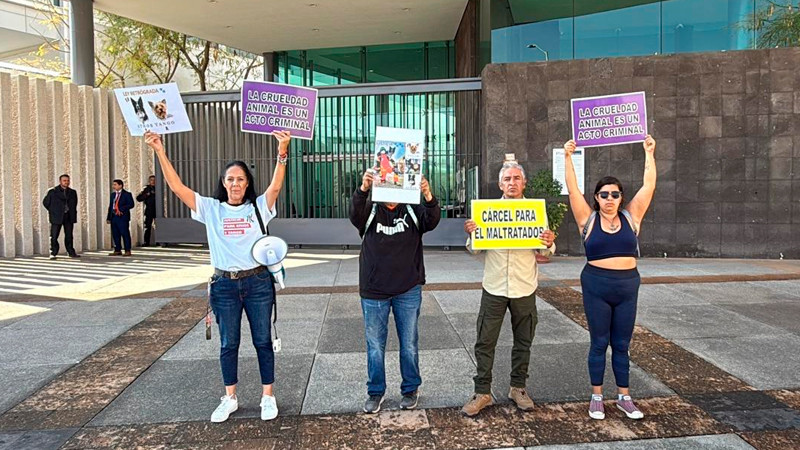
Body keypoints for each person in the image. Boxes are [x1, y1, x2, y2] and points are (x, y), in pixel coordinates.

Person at [145, 129, 291, 423]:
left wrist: (283, 152)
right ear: (223, 184)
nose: (235, 184)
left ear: (247, 183)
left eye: (240, 179)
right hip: (224, 284)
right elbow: (176, 187)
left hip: (258, 282)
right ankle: (230, 397)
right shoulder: (211, 209)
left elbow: (275, 187)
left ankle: (267, 396)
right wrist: (159, 150)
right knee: (229, 343)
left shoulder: (258, 207)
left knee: (262, 340)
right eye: (230, 179)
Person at [563, 135, 656, 421]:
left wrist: (649, 153)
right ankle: (597, 397)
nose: (609, 199)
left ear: (621, 198)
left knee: (623, 344)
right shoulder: (587, 219)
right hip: (596, 284)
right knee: (599, 342)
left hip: (627, 285)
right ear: (596, 197)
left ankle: (625, 397)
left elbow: (649, 185)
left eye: (615, 194)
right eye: (604, 194)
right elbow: (572, 189)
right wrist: (568, 157)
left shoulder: (632, 217)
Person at [461, 160, 555, 416]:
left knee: (524, 341)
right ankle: (482, 392)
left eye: (516, 178)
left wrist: (548, 241)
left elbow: (544, 247)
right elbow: (475, 248)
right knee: (485, 341)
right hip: (494, 287)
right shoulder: (487, 211)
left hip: (524, 287)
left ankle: (518, 387)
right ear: (500, 184)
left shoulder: (535, 211)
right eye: (507, 179)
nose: (511, 183)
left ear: (524, 183)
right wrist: (472, 234)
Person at [349, 168, 440, 413]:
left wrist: (428, 194)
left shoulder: (411, 209)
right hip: (374, 290)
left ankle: (410, 388)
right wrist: (363, 188)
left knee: (409, 343)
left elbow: (432, 220)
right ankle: (375, 392)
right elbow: (355, 213)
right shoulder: (371, 210)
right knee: (375, 345)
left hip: (407, 289)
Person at [42, 174, 79, 259]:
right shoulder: (52, 191)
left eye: (68, 180)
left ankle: (71, 252)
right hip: (56, 217)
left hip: (68, 216)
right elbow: (45, 203)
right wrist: (53, 211)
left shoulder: (72, 192)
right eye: (64, 180)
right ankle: (53, 252)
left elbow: (74, 204)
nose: (66, 182)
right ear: (60, 181)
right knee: (54, 236)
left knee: (69, 235)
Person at [106, 179, 135, 256]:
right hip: (114, 217)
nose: (113, 186)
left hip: (122, 217)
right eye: (113, 185)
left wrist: (121, 209)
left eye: (115, 185)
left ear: (120, 185)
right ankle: (117, 249)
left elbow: (131, 204)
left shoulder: (127, 194)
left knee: (124, 233)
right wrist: (109, 217)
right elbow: (110, 206)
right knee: (115, 234)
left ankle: (127, 250)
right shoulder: (113, 195)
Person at [136, 175, 157, 246]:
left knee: (159, 226)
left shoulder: (159, 188)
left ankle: (160, 241)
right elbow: (139, 198)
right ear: (149, 181)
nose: (153, 181)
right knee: (147, 226)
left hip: (158, 210)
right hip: (149, 209)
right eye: (151, 180)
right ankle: (146, 242)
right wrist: (146, 195)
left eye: (154, 180)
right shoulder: (146, 189)